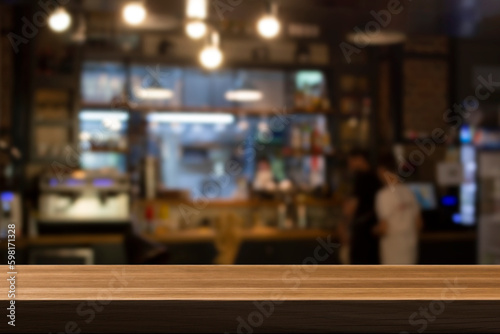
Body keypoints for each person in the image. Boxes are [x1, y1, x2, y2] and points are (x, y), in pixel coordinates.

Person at [373, 153, 423, 265]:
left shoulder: (383, 195)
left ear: (382, 170)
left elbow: (383, 228)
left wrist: (373, 231)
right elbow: (419, 223)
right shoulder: (409, 192)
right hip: (411, 245)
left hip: (393, 247)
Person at [341, 149, 382, 264]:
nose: (349, 164)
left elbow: (352, 207)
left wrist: (344, 226)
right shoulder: (376, 177)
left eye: (351, 161)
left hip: (362, 233)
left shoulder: (363, 178)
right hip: (373, 231)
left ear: (360, 159)